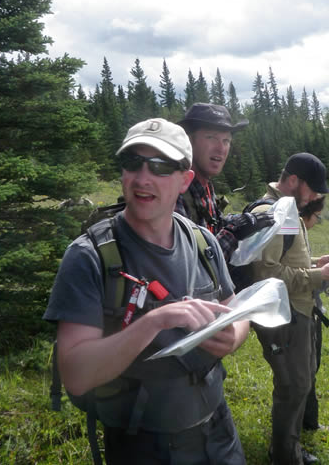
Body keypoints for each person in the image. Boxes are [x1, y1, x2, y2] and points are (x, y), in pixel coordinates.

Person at [44, 118, 249, 464]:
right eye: (132, 164)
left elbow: (234, 308)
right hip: (142, 443)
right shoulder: (89, 257)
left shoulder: (202, 241)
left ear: (185, 180)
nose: (142, 178)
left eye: (160, 167)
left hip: (218, 429)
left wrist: (235, 336)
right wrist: (152, 322)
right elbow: (76, 376)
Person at [249, 153, 329, 465]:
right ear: (294, 180)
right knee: (293, 387)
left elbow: (287, 260)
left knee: (302, 381)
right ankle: (284, 457)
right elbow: (266, 274)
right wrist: (320, 276)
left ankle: (289, 448)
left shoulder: (289, 208)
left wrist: (316, 262)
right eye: (314, 189)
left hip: (297, 309)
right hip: (284, 314)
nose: (317, 196)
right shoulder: (273, 212)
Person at [176, 103, 273, 261]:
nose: (221, 149)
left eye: (226, 141)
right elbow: (192, 265)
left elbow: (215, 225)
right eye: (211, 138)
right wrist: (233, 232)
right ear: (188, 141)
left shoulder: (205, 186)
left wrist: (245, 220)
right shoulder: (173, 192)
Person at [298, 197, 329, 432]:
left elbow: (299, 263)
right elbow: (288, 270)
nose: (317, 222)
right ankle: (299, 430)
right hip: (300, 310)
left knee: (311, 368)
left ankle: (309, 423)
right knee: (303, 373)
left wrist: (318, 262)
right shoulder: (291, 228)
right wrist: (321, 273)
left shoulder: (297, 229)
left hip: (310, 310)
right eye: (318, 217)